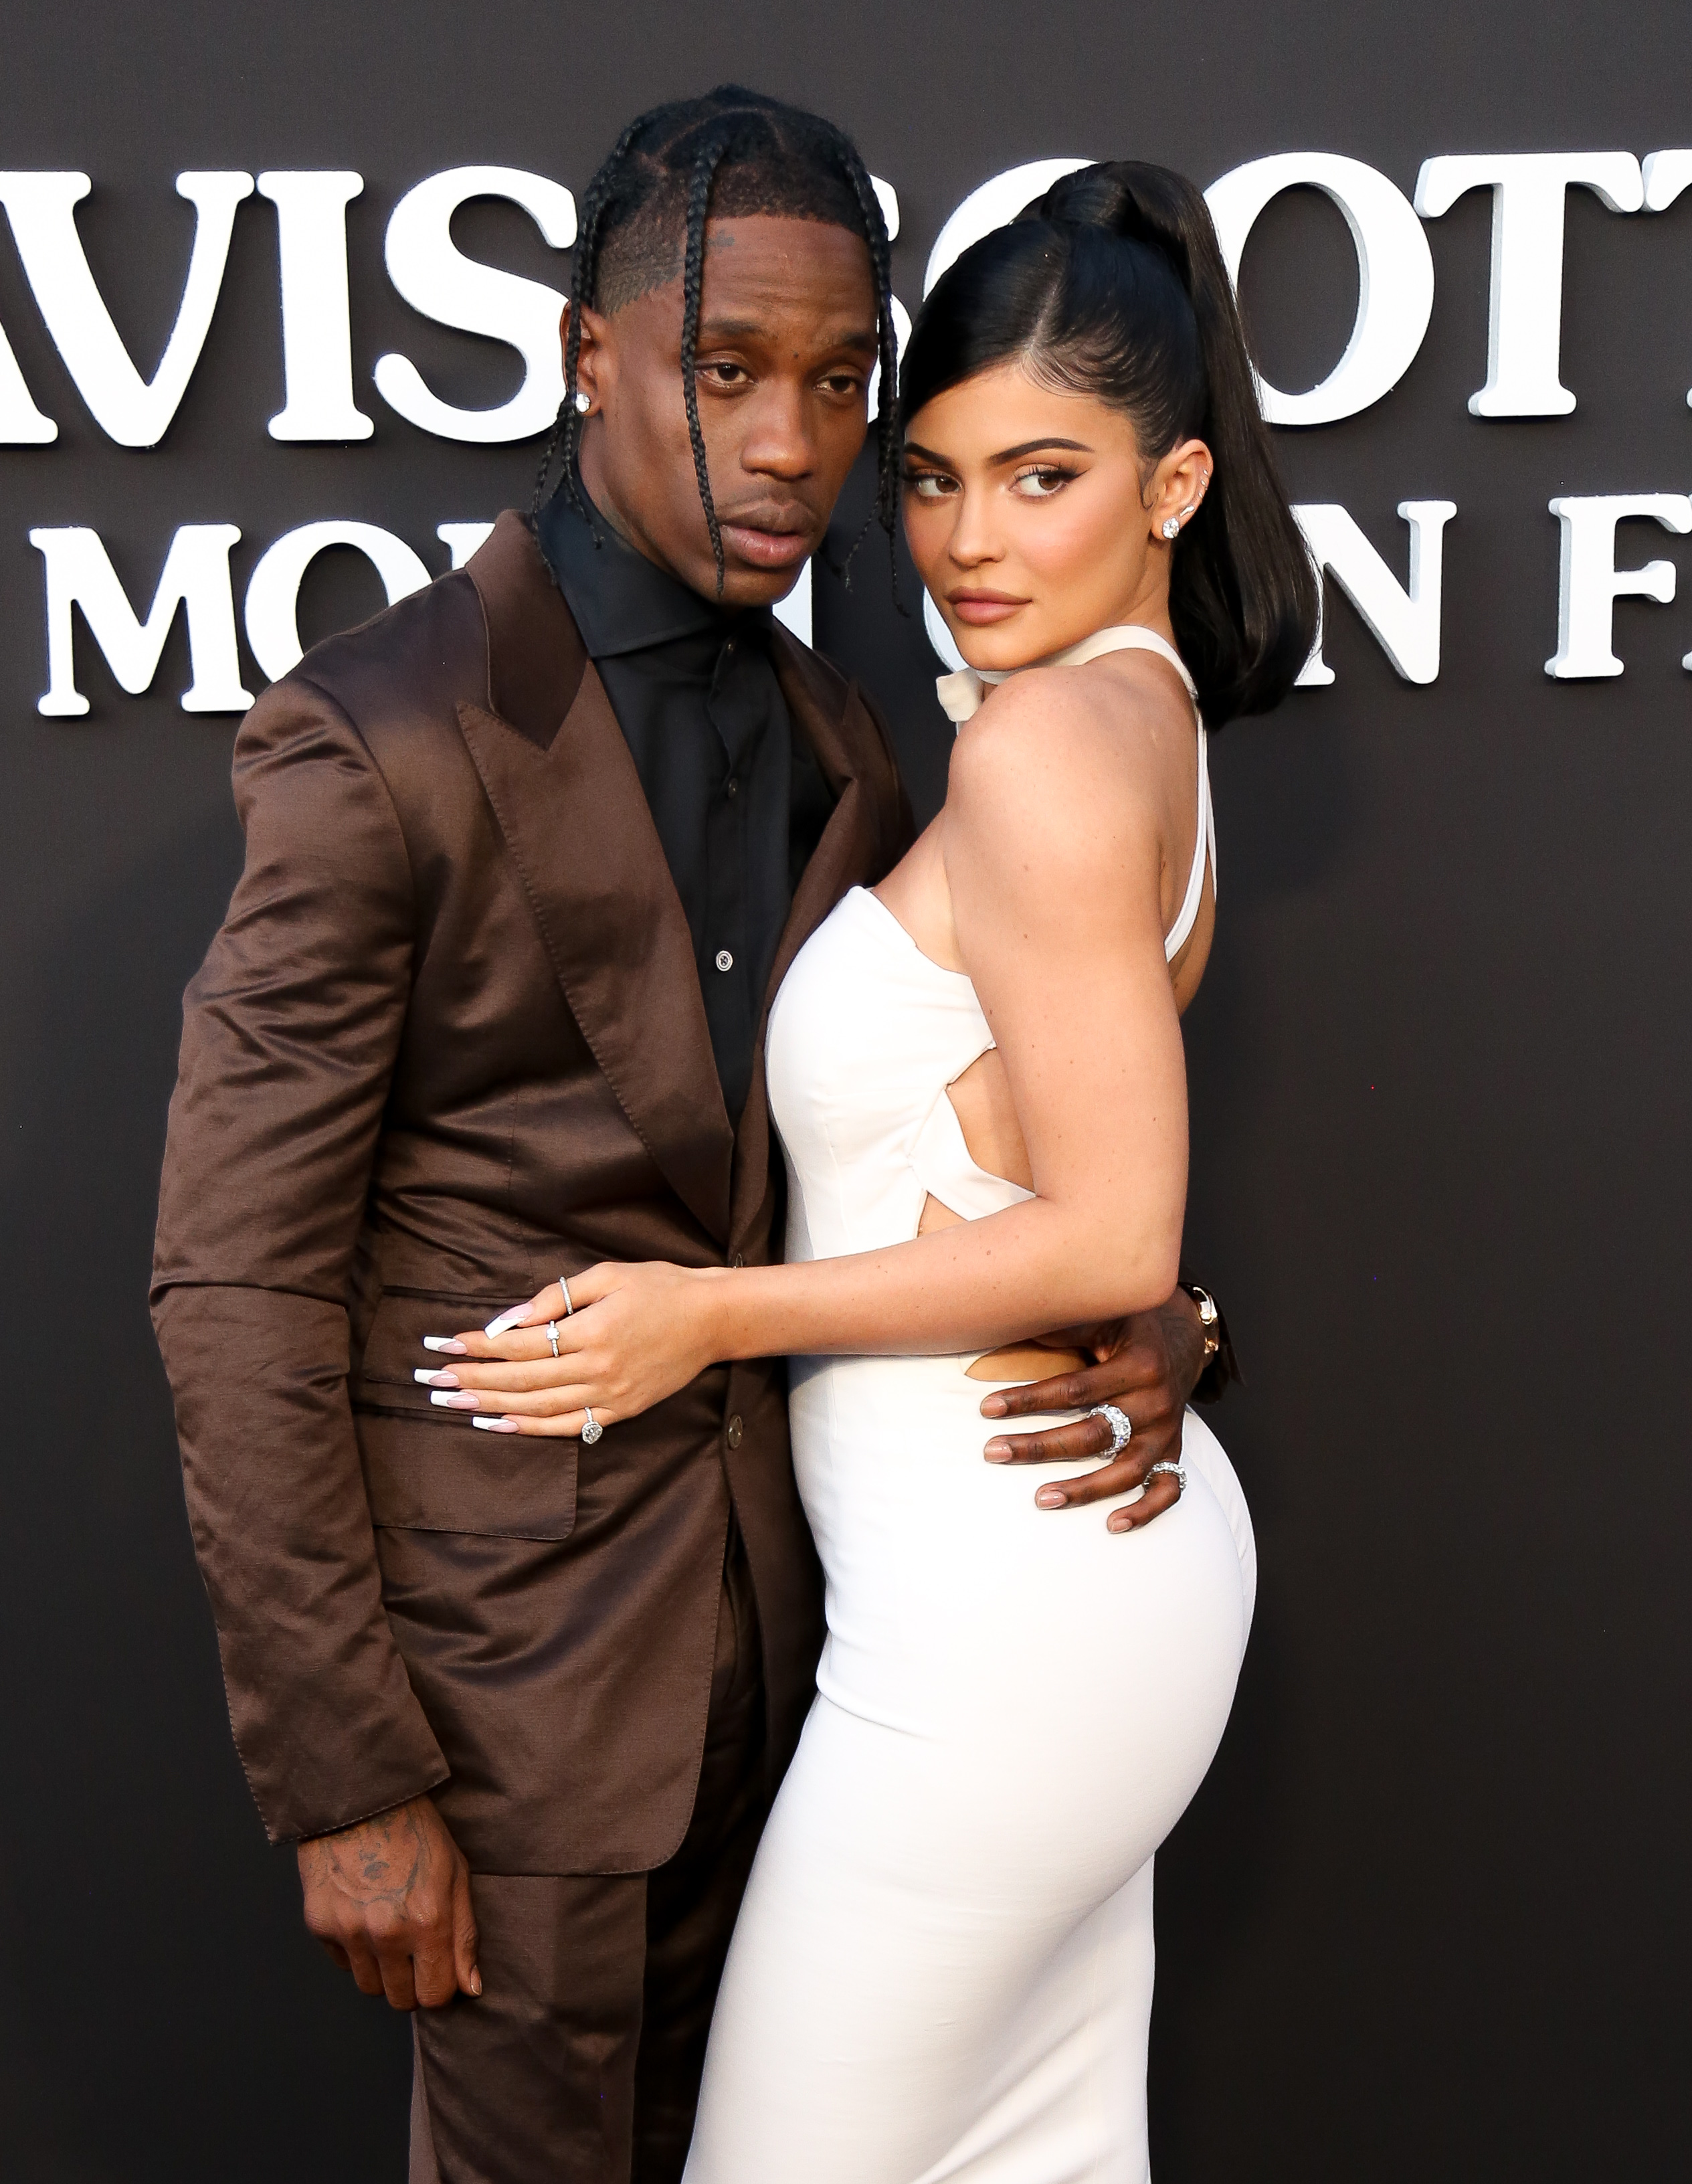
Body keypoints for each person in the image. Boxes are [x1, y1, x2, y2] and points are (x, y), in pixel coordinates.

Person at [150, 92, 1225, 2184]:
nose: (790, 446)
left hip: (832, 1671)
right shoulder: (379, 735)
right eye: (725, 371)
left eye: (841, 387)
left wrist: (1158, 1306)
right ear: (589, 360)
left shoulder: (846, 736)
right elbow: (237, 1279)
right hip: (511, 1734)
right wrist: (343, 1779)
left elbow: (979, 1121)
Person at [439, 160, 1318, 2180]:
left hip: (1008, 1620)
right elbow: (1072, 1194)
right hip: (1025, 1586)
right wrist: (1150, 1310)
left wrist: (705, 1317)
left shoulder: (1041, 753)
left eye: (1039, 477)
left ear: (1170, 488)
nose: (963, 540)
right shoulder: (1128, 716)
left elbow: (1111, 1225)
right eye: (927, 479)